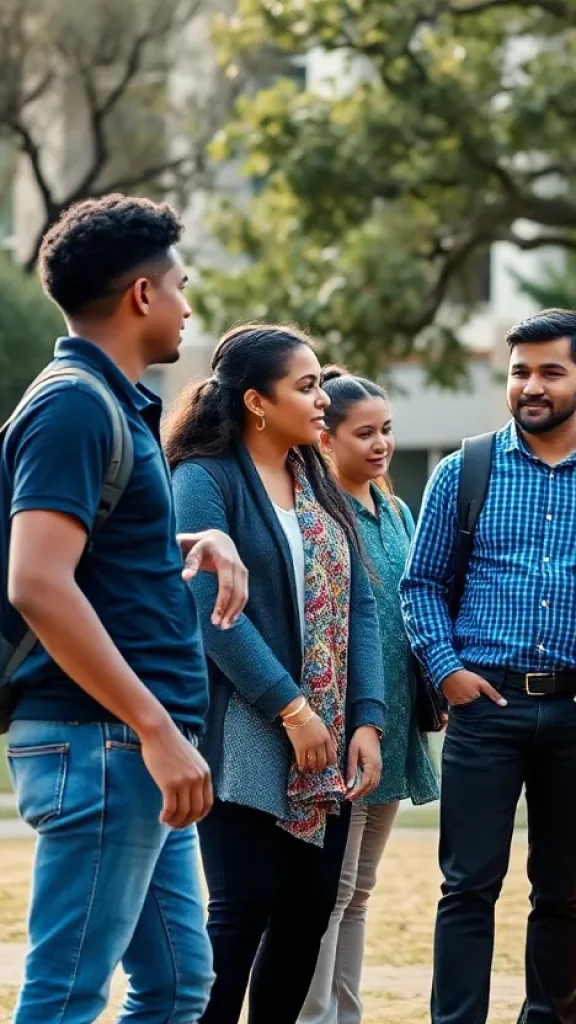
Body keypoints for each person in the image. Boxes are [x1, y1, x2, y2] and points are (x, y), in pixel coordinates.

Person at [0, 194, 249, 1023]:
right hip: (105, 742)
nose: (188, 306)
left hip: (137, 748)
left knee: (179, 987)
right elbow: (37, 581)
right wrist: (152, 728)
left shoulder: (114, 405)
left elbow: (95, 561)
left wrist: (191, 544)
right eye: (180, 285)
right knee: (67, 996)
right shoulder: (74, 403)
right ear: (142, 296)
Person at [164, 325, 386, 1024]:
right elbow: (209, 608)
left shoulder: (313, 474)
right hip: (247, 725)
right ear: (258, 402)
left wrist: (369, 718)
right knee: (242, 910)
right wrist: (292, 710)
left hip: (330, 728)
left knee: (311, 910)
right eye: (308, 385)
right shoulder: (204, 478)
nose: (323, 399)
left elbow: (363, 602)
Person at [401, 308, 576, 1024]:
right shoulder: (463, 471)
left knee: (563, 893)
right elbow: (421, 584)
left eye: (550, 371)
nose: (531, 385)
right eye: (520, 371)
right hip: (483, 707)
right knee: (467, 887)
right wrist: (447, 670)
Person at [300, 369, 440, 1024]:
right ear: (324, 438)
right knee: (327, 891)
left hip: (395, 721)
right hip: (345, 723)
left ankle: (344, 1017)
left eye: (386, 430)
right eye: (365, 432)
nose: (381, 443)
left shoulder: (395, 507)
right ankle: (315, 1015)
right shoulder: (317, 511)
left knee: (357, 891)